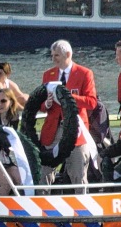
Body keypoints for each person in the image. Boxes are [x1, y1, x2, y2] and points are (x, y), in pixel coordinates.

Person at [38, 40, 98, 192]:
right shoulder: (48, 75)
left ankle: (82, 211)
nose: (53, 59)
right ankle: (41, 207)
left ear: (68, 54)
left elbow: (91, 102)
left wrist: (67, 97)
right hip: (52, 130)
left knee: (78, 173)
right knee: (44, 172)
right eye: (52, 55)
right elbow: (40, 104)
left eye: (57, 55)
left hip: (76, 131)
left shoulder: (85, 73)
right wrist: (48, 104)